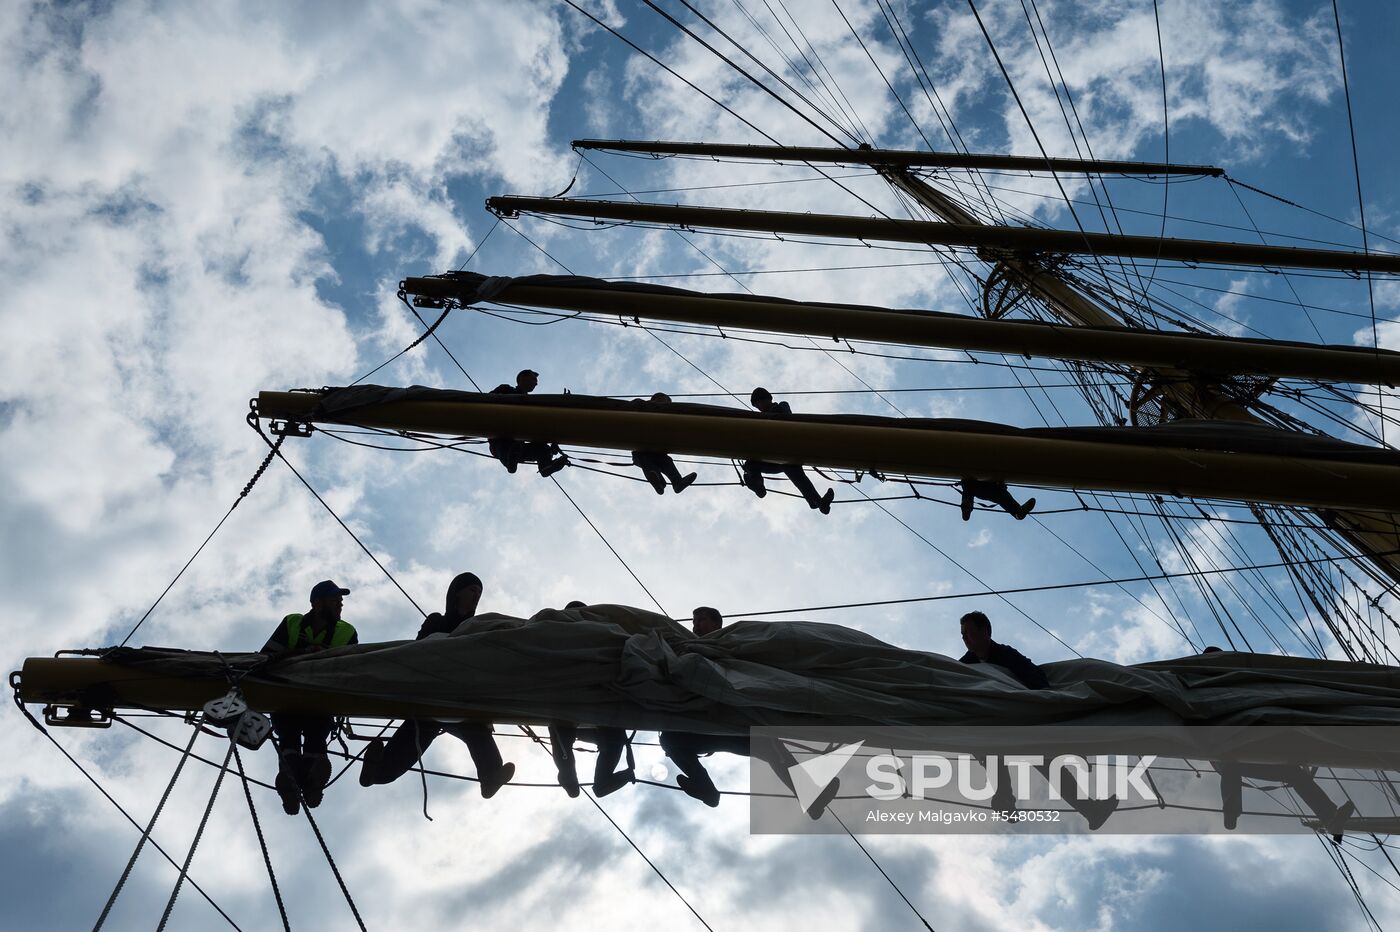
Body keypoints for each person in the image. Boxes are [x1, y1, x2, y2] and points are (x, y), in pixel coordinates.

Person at [358, 573, 515, 797]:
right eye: (472, 590)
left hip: (457, 697)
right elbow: (420, 649)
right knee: (437, 732)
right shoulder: (437, 620)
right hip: (431, 693)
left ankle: (490, 777)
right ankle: (375, 772)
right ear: (456, 593)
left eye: (479, 593)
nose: (476, 596)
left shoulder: (478, 625)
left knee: (473, 731)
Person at [957, 611, 1117, 830]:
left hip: (1021, 718)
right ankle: (1004, 799)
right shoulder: (964, 666)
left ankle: (1090, 810)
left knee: (1047, 760)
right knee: (992, 747)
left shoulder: (1006, 654)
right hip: (990, 721)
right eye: (962, 634)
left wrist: (1039, 706)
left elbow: (1035, 678)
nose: (965, 638)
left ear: (985, 631)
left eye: (969, 632)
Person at [658, 609, 824, 816]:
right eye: (694, 621)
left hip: (734, 722)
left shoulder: (730, 642)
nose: (695, 625)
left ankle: (812, 797)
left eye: (701, 620)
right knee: (670, 740)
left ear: (716, 623)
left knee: (770, 746)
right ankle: (705, 788)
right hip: (706, 726)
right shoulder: (686, 647)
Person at [1200, 648, 1356, 837]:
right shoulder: (1209, 682)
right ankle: (1231, 812)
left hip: (1251, 744)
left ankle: (1330, 817)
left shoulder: (1237, 680)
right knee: (1231, 764)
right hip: (1229, 749)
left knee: (1295, 775)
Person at [261, 580, 359, 815]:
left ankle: (305, 776)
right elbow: (266, 658)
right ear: (317, 603)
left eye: (341, 601)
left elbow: (354, 670)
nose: (340, 604)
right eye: (335, 600)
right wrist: (305, 653)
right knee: (289, 732)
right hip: (287, 694)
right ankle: (293, 776)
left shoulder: (347, 632)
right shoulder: (292, 622)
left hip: (320, 696)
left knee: (315, 732)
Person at [547, 599, 636, 799]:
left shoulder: (599, 632)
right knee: (561, 726)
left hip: (599, 707)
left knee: (562, 727)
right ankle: (568, 774)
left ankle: (572, 774)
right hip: (582, 705)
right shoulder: (558, 635)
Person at [740, 388, 835, 514]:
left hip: (787, 450)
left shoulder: (782, 406)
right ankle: (758, 485)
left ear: (768, 399)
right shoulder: (759, 418)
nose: (759, 407)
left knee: (792, 469)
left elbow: (785, 416)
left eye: (760, 402)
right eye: (756, 405)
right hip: (775, 457)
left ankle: (817, 502)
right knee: (750, 465)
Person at [487, 369, 569, 477]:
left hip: (517, 449)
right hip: (502, 441)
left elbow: (542, 426)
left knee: (542, 449)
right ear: (522, 378)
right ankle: (510, 462)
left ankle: (545, 466)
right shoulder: (506, 389)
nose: (536, 383)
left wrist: (551, 448)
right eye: (534, 379)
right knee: (507, 445)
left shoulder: (533, 404)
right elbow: (488, 399)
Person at [630, 393, 697, 495]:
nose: (665, 403)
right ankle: (659, 483)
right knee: (648, 463)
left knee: (667, 462)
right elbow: (634, 404)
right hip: (641, 453)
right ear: (655, 398)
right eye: (662, 400)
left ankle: (676, 482)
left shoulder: (668, 414)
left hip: (658, 453)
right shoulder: (644, 404)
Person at [959, 478, 1035, 521]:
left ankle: (967, 504)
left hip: (985, 488)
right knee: (1001, 496)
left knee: (968, 485)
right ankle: (1018, 512)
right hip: (991, 489)